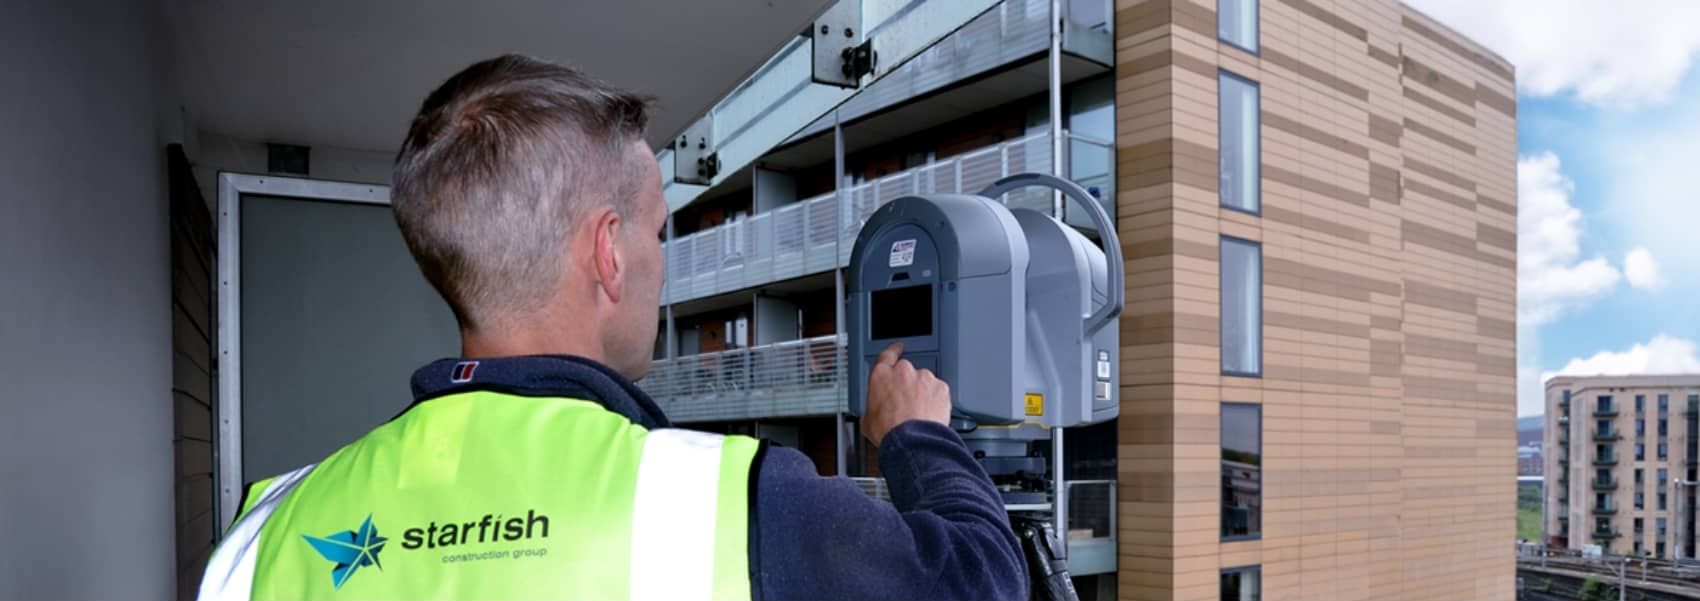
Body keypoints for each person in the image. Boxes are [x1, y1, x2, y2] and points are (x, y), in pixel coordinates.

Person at [196, 54, 1026, 601]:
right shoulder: (732, 500)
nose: (663, 261)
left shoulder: (265, 530)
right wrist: (918, 437)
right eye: (656, 230)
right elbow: (981, 581)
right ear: (608, 252)